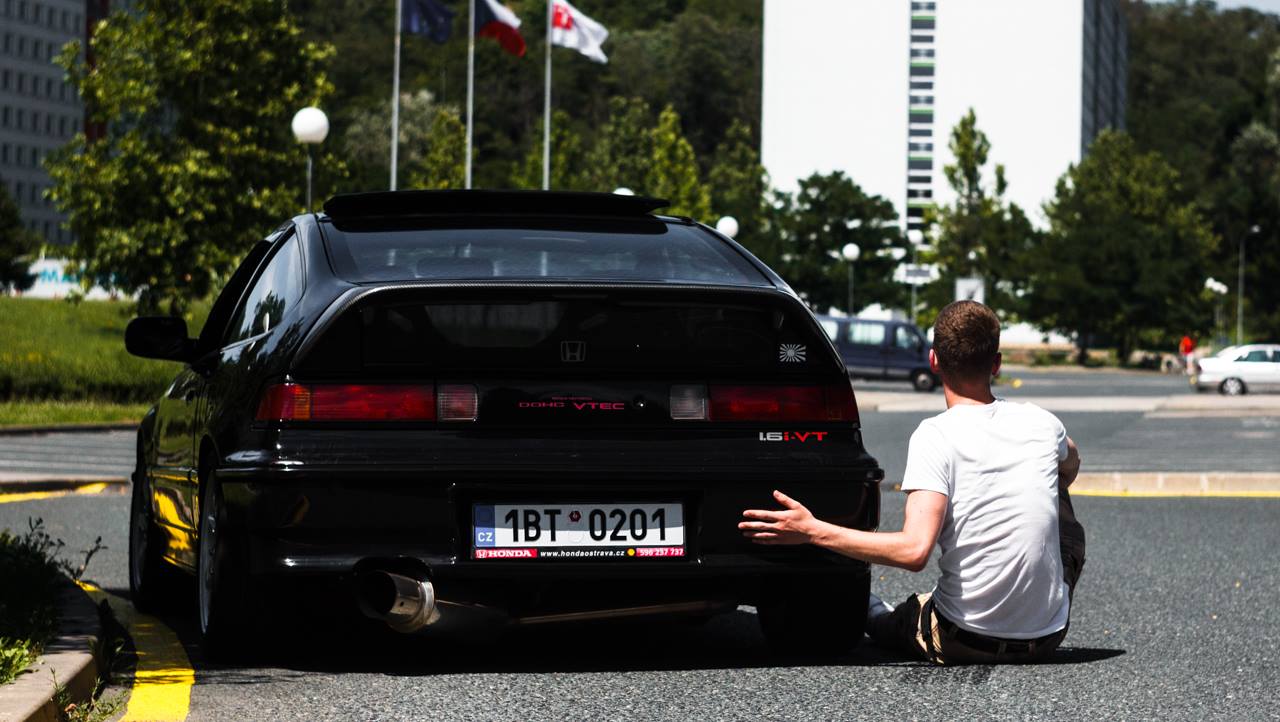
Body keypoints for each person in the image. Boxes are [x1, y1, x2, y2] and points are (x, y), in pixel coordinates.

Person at [739, 300, 1086, 664]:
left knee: (901, 621)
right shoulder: (1042, 422)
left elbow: (913, 551)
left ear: (934, 361)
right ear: (996, 364)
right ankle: (1031, 604)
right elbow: (1072, 462)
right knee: (1056, 480)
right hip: (1047, 636)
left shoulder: (936, 435)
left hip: (965, 638)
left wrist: (812, 531)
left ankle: (876, 613)